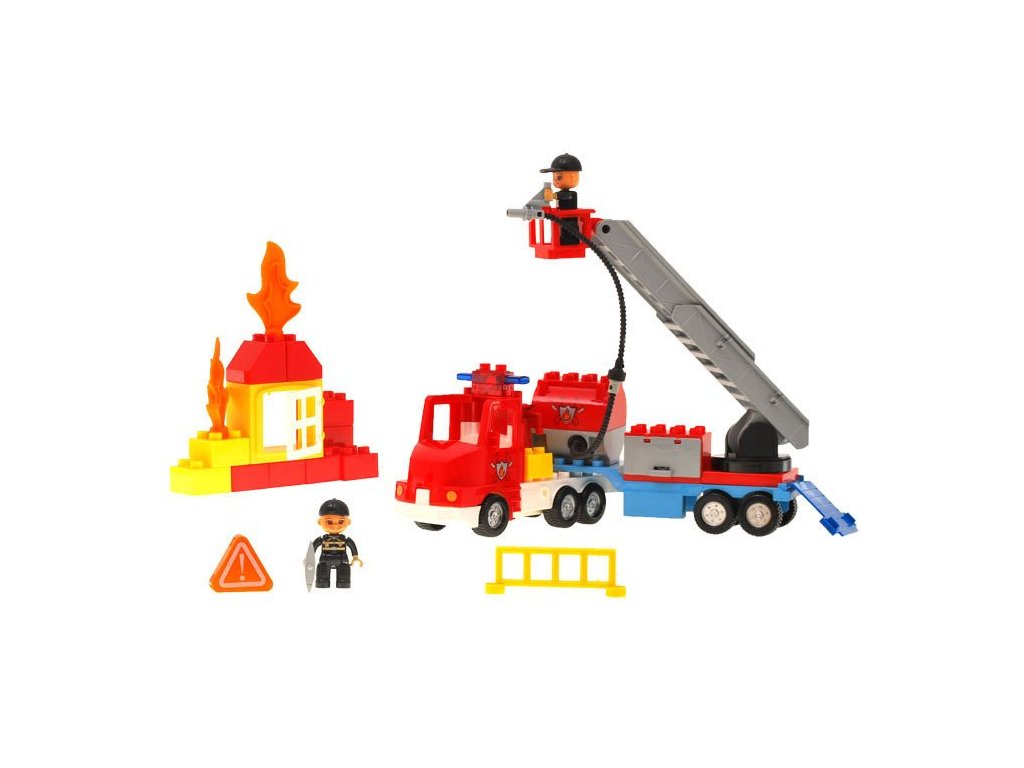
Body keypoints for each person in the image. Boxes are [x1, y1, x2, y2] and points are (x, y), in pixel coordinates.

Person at [310, 499, 363, 588]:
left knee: (344, 574)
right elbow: (313, 547)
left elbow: (352, 546)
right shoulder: (322, 539)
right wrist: (309, 559)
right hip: (325, 560)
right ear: (319, 522)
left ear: (348, 522)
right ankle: (322, 581)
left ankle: (343, 582)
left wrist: (355, 557)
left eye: (341, 521)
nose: (335, 526)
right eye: (329, 522)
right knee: (322, 573)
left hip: (342, 560)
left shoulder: (345, 539)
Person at [541, 153, 583, 245]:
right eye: (554, 177)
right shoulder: (560, 193)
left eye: (559, 177)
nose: (555, 180)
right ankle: (561, 241)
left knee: (569, 232)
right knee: (560, 231)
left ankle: (570, 242)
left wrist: (552, 196)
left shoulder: (571, 194)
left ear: (573, 177)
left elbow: (565, 196)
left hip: (569, 220)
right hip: (561, 219)